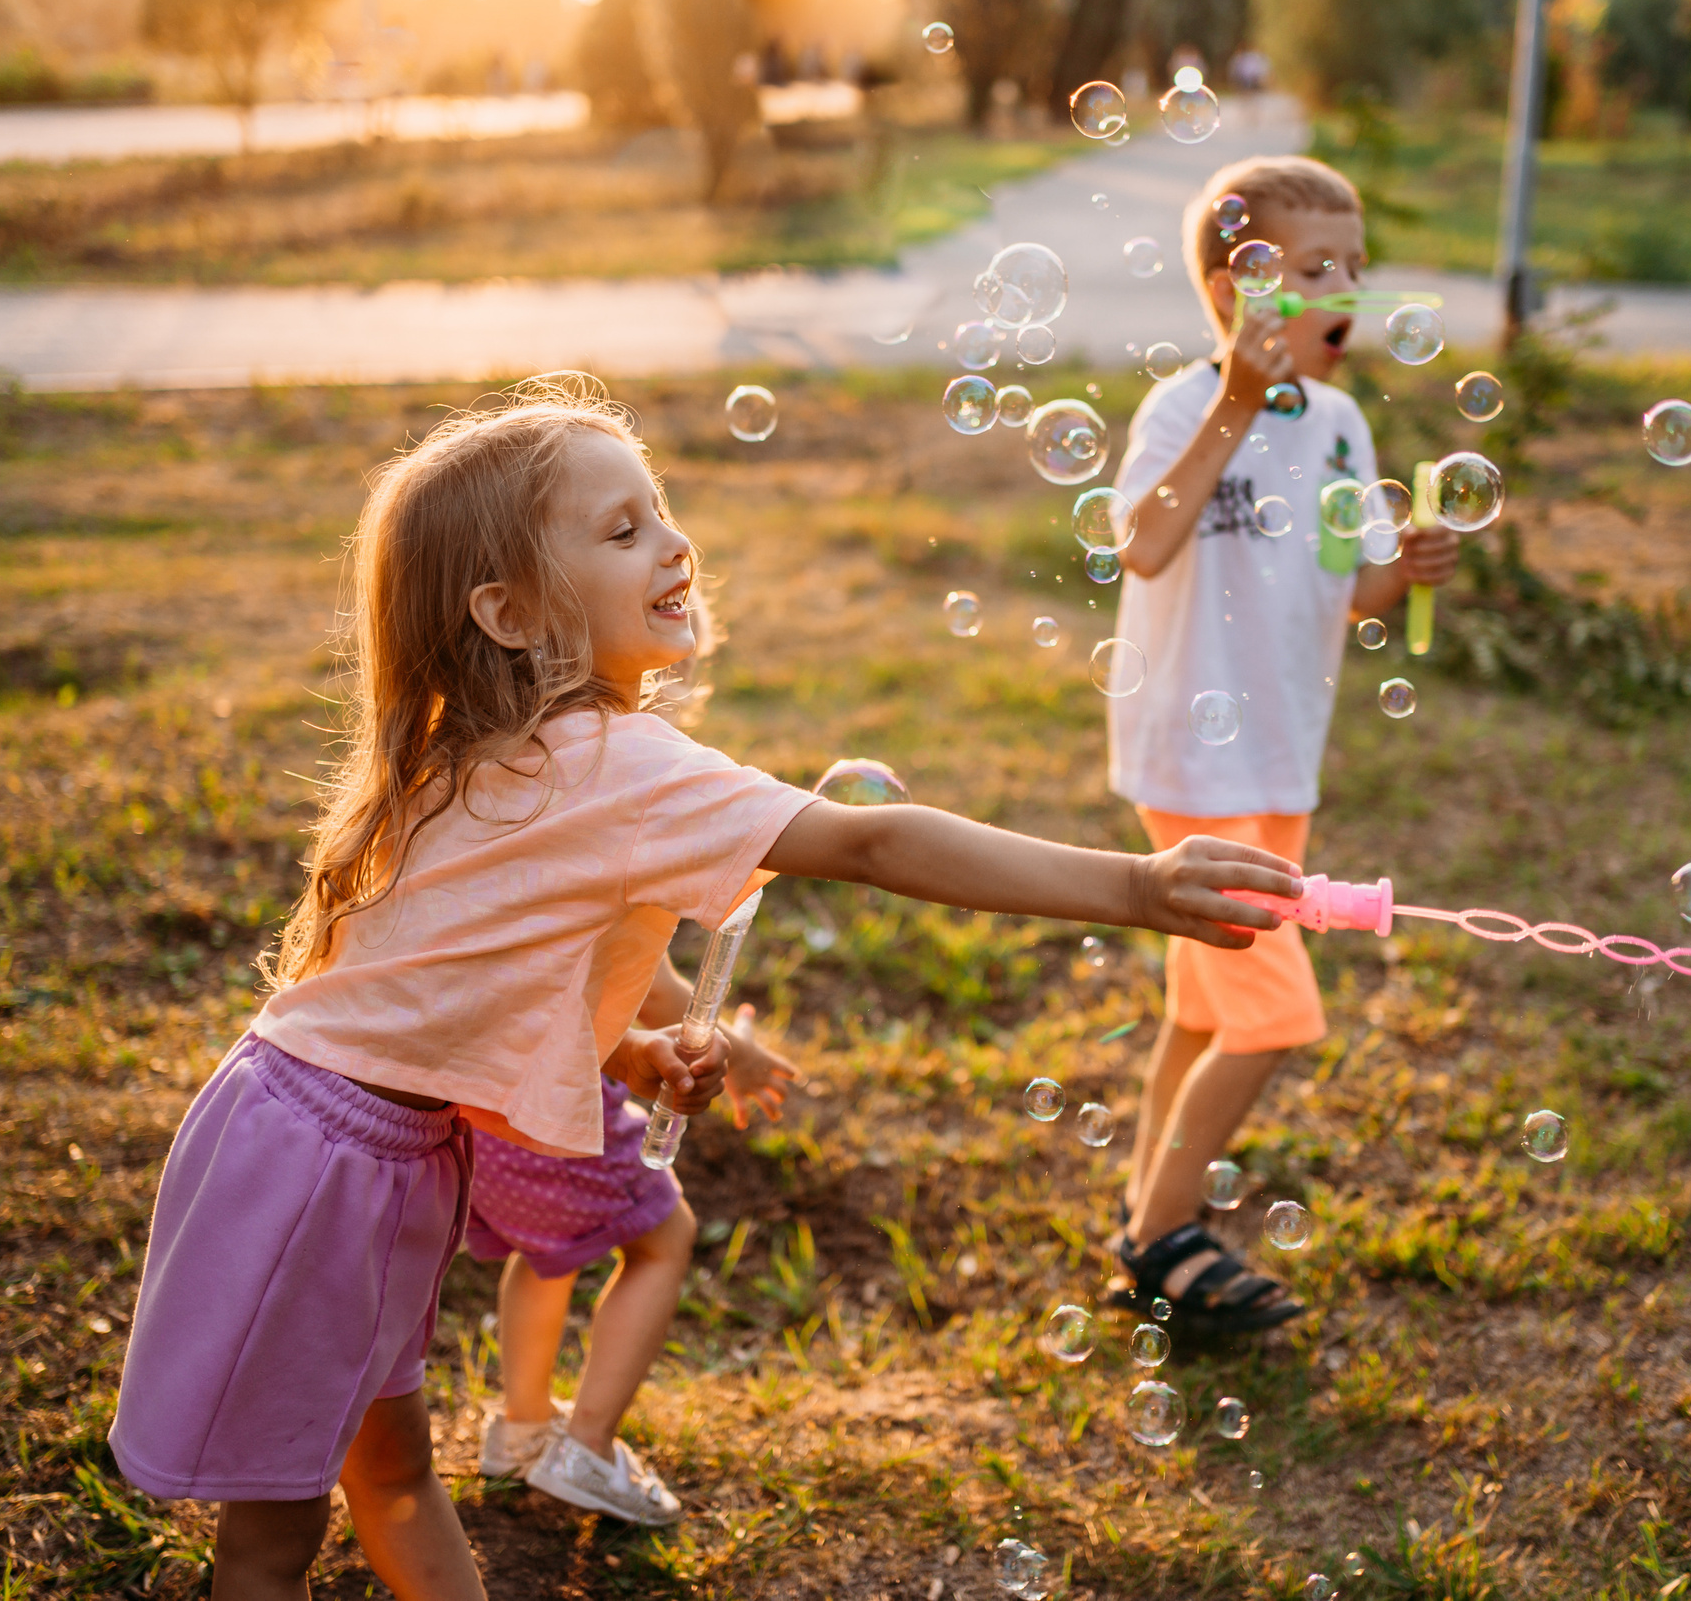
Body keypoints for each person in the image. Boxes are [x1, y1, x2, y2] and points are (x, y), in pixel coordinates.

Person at [106, 380, 1302, 1600]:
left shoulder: (464, 743)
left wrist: (627, 1048)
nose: (672, 542)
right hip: (326, 1170)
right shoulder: (611, 763)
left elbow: (492, 965)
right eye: (620, 532)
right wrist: (1136, 888)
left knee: (395, 1477)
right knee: (275, 1538)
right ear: (510, 613)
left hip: (319, 1139)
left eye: (660, 509)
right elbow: (875, 844)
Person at [1105, 155, 1463, 1337]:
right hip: (1191, 759)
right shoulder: (1182, 408)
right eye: (1314, 270)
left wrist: (1395, 575)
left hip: (1274, 755)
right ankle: (1161, 1235)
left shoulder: (1347, 427)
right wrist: (1235, 404)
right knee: (1275, 1014)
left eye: (1353, 266)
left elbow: (1344, 591)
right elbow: (1147, 546)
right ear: (1234, 294)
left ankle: (1136, 1207)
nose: (1345, 287)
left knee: (1205, 1007)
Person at [470, 993, 797, 1525]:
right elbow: (666, 995)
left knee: (547, 1246)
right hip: (558, 1110)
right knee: (664, 1239)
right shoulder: (609, 905)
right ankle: (588, 1447)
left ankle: (521, 1429)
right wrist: (742, 1055)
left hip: (479, 1115)